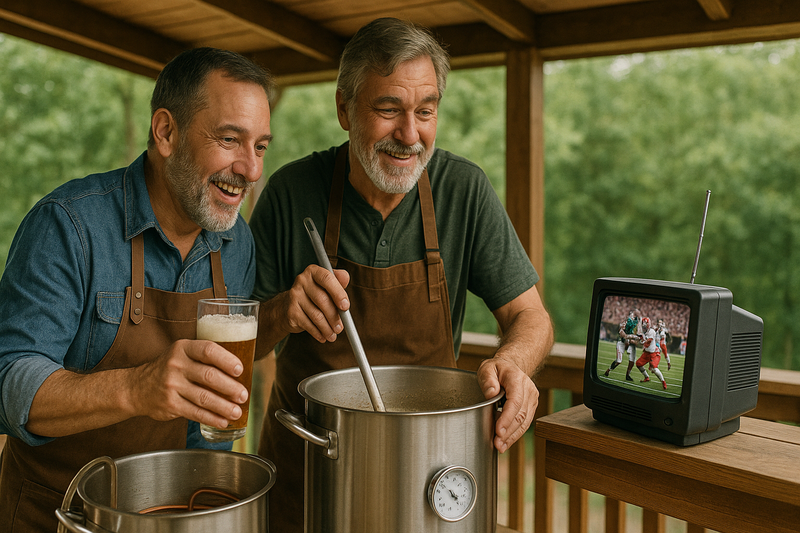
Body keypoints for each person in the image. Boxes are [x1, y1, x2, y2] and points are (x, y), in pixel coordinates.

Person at [249, 17, 554, 532]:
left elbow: (532, 317)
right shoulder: (290, 190)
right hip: (310, 475)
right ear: (344, 109)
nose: (410, 135)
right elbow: (241, 341)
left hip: (427, 483)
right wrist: (284, 311)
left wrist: (513, 363)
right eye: (388, 109)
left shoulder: (464, 191)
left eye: (426, 111)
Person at [0, 47, 273, 532]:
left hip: (165, 518)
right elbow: (9, 384)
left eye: (260, 147)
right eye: (230, 139)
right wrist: (136, 387)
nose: (250, 171)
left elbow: (207, 429)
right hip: (57, 515)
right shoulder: (67, 225)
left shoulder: (236, 241)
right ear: (165, 132)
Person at [635, 317, 668, 390]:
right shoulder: (643, 331)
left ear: (648, 325)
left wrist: (642, 341)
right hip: (646, 353)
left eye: (644, 326)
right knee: (638, 364)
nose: (643, 328)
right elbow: (640, 338)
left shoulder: (651, 331)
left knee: (654, 369)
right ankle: (646, 377)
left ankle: (663, 382)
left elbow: (648, 342)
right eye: (642, 326)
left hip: (654, 353)